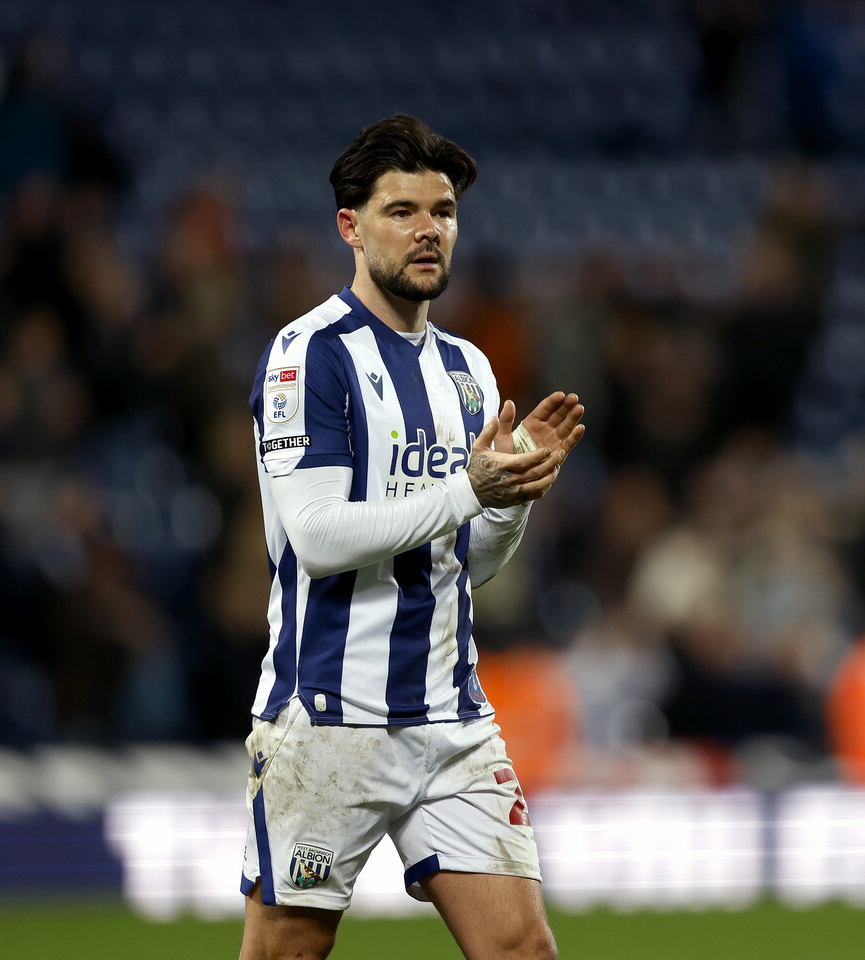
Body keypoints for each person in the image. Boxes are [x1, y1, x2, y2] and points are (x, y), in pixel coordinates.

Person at [240, 114, 585, 960]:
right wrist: (468, 487)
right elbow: (317, 538)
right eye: (403, 211)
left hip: (451, 719)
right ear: (350, 228)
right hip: (329, 716)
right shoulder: (307, 356)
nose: (430, 229)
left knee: (523, 949)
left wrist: (510, 499)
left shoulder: (468, 369)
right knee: (288, 950)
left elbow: (469, 563)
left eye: (444, 211)